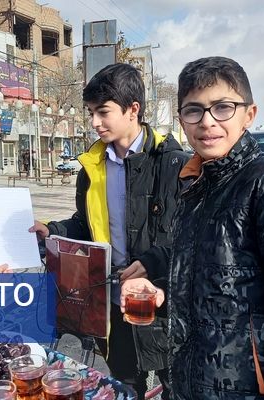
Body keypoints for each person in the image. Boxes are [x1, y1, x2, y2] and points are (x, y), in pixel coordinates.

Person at [122, 56, 264, 398]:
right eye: (194, 110)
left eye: (222, 107)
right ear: (182, 120)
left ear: (249, 114)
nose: (207, 121)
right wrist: (165, 293)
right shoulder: (195, 184)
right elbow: (220, 283)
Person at [30, 63, 189, 399]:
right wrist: (53, 230)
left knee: (177, 386)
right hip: (113, 300)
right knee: (123, 386)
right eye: (90, 113)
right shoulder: (92, 167)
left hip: (162, 302)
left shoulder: (172, 163)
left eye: (103, 112)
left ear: (133, 110)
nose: (94, 123)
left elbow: (191, 237)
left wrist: (154, 263)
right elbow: (86, 223)